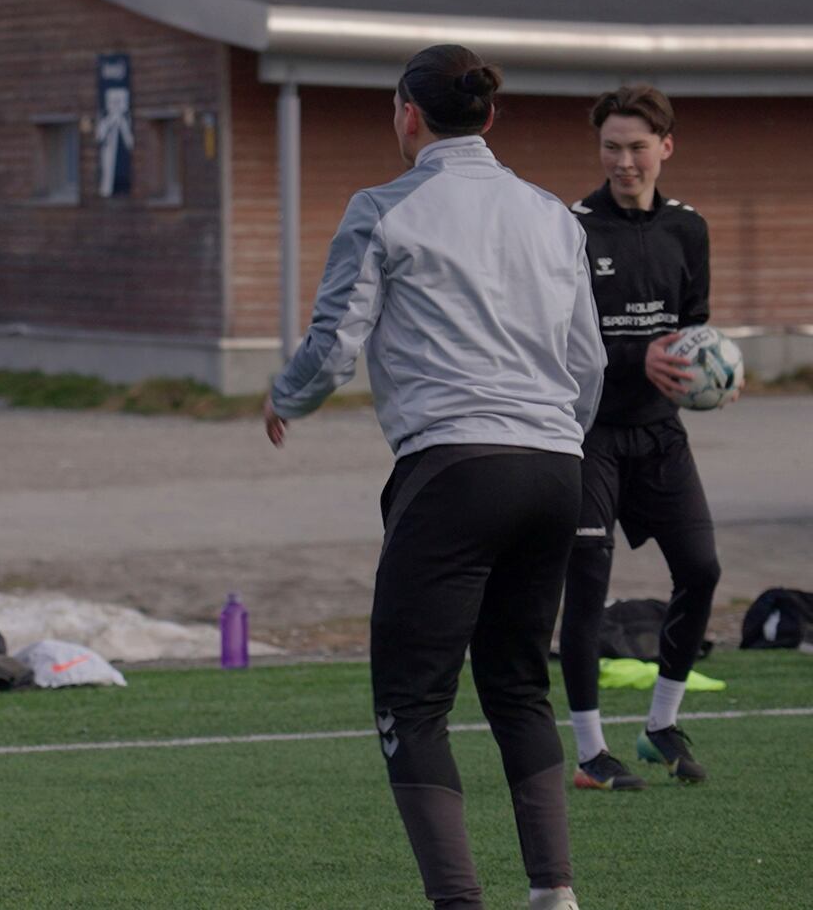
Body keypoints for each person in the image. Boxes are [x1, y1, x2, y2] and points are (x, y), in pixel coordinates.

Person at [262, 47, 604, 910]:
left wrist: (284, 399)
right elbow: (586, 361)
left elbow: (336, 343)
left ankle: (460, 902)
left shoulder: (382, 208)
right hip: (555, 467)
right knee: (519, 683)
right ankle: (555, 895)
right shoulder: (554, 214)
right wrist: (554, 439)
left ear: (408, 116)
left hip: (454, 469)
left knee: (411, 705)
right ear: (488, 118)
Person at [557, 86, 722, 790]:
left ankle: (660, 725)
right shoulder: (571, 227)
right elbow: (554, 340)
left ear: (666, 147)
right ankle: (591, 752)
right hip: (589, 434)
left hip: (659, 435)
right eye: (612, 148)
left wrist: (709, 374)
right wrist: (634, 359)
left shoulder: (689, 229)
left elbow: (694, 331)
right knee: (587, 584)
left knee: (703, 569)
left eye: (637, 147)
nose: (624, 161)